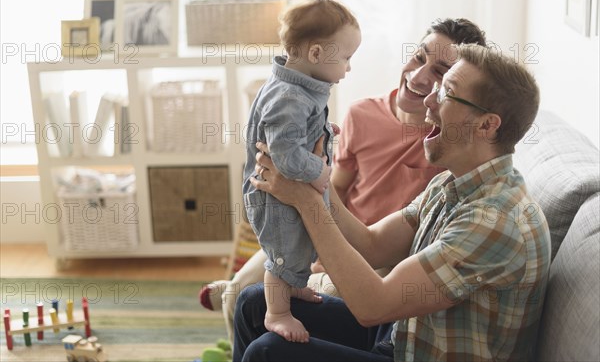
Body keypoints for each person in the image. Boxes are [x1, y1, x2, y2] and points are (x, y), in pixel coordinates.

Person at [234, 43, 551, 361]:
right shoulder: (452, 183)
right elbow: (372, 245)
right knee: (253, 303)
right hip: (403, 337)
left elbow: (373, 305)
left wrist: (305, 200)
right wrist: (313, 175)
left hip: (414, 352)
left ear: (486, 125)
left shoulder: (494, 220)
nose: (428, 99)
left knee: (268, 353)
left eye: (446, 93)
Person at [199, 18, 488, 343]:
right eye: (419, 57)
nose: (419, 76)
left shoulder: (444, 145)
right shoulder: (361, 114)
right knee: (238, 295)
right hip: (328, 228)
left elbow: (387, 248)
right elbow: (334, 189)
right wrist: (315, 239)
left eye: (439, 72)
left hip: (382, 262)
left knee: (282, 299)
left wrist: (328, 259)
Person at [242, 0, 361, 343]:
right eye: (347, 58)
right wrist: (319, 170)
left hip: (285, 192)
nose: (349, 68)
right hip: (274, 199)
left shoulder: (299, 89)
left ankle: (292, 290)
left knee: (301, 246)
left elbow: (296, 133)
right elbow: (286, 154)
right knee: (284, 251)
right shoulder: (290, 97)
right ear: (316, 54)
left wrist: (324, 133)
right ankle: (276, 312)